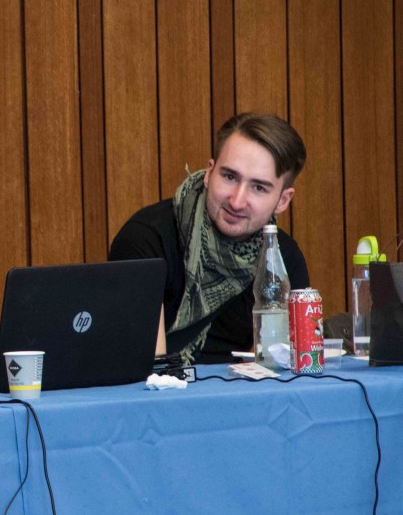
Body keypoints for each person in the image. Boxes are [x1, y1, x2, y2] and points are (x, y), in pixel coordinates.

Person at [109, 113, 309, 365]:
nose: (237, 201)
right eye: (229, 177)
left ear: (283, 200)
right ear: (209, 173)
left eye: (258, 187)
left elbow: (282, 365)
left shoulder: (283, 258)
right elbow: (146, 368)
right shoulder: (146, 239)